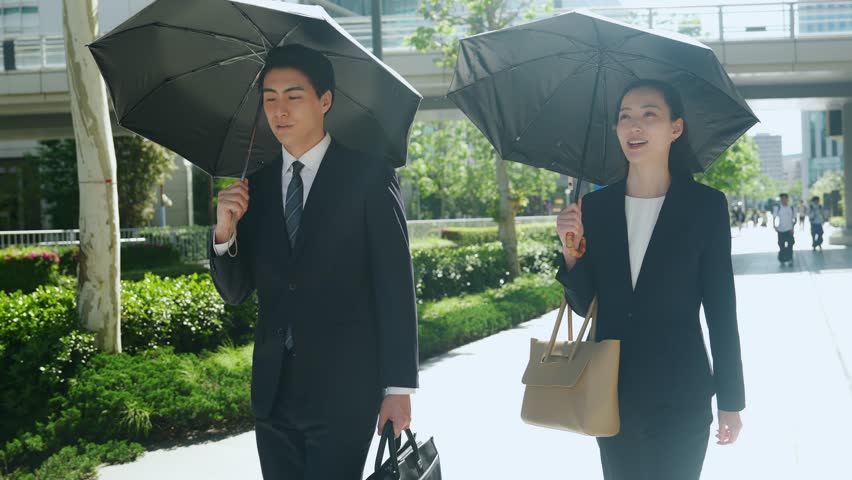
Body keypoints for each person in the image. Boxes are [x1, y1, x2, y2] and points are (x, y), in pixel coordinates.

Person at [209, 45, 419, 479]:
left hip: (345, 390)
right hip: (273, 391)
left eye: (293, 96)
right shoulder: (255, 188)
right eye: (269, 98)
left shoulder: (369, 176)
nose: (279, 110)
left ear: (325, 100)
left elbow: (395, 286)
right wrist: (224, 233)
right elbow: (235, 292)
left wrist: (398, 389)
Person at [555, 79, 745, 480]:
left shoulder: (705, 206)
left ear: (675, 128)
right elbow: (583, 302)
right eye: (625, 117)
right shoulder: (595, 206)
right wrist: (571, 254)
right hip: (612, 394)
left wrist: (730, 399)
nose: (634, 126)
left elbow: (722, 311)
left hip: (683, 393)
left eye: (648, 115)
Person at [773, 193, 796, 266]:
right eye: (782, 199)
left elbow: (794, 218)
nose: (783, 200)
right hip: (781, 230)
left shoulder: (791, 208)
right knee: (781, 245)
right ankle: (782, 259)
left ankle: (790, 259)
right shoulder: (778, 208)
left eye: (785, 198)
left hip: (789, 230)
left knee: (790, 245)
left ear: (787, 199)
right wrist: (774, 226)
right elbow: (774, 217)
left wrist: (793, 228)